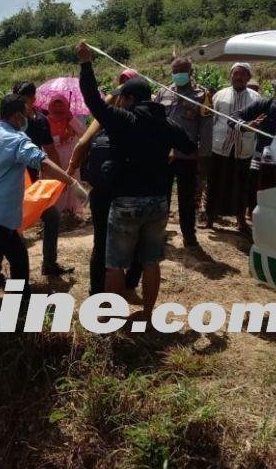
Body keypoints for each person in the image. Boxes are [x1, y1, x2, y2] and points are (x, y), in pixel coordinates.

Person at [77, 41, 196, 313]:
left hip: (127, 201)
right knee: (151, 261)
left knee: (115, 263)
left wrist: (86, 64)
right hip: (158, 201)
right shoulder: (168, 123)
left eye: (122, 98)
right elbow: (190, 147)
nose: (120, 101)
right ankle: (147, 314)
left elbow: (93, 100)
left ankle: (109, 314)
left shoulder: (125, 119)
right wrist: (167, 155)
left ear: (129, 99)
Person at [0, 94, 86, 320]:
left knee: (19, 258)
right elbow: (43, 163)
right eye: (26, 115)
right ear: (18, 115)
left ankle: (22, 304)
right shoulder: (17, 140)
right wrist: (72, 182)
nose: (27, 120)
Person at [68, 71, 143, 296]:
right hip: (120, 190)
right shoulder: (139, 116)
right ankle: (119, 288)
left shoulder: (115, 115)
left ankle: (108, 290)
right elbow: (82, 143)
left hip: (113, 189)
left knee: (106, 243)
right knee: (126, 242)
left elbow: (82, 143)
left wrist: (70, 171)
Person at [153, 58, 212, 249]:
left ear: (190, 71)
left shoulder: (201, 95)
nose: (178, 74)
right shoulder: (163, 92)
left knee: (186, 199)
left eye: (182, 70)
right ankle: (159, 233)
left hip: (188, 155)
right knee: (162, 196)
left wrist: (203, 155)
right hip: (164, 155)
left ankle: (189, 236)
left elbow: (206, 128)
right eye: (175, 70)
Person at [15, 81, 72, 276]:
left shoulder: (40, 121)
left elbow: (49, 151)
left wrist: (60, 178)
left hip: (33, 185)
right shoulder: (8, 123)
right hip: (11, 185)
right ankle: (6, 273)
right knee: (11, 230)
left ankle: (49, 264)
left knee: (52, 217)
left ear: (33, 100)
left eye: (24, 100)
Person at [231, 68, 276, 214]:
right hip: (262, 159)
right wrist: (245, 126)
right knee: (254, 192)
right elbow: (233, 117)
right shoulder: (265, 105)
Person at [206, 62, 261, 237]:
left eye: (242, 74)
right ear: (230, 76)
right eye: (235, 74)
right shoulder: (219, 96)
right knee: (215, 182)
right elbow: (211, 120)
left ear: (248, 77)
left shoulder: (256, 98)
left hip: (243, 149)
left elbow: (260, 124)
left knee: (241, 185)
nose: (238, 77)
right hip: (220, 146)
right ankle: (210, 218)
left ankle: (241, 220)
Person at [47, 93, 86, 217]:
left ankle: (72, 212)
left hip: (71, 157)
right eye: (55, 105)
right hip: (54, 157)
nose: (58, 109)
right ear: (50, 107)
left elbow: (84, 135)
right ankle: (56, 213)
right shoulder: (46, 121)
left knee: (72, 182)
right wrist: (60, 138)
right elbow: (44, 142)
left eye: (61, 105)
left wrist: (72, 120)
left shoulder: (71, 119)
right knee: (57, 182)